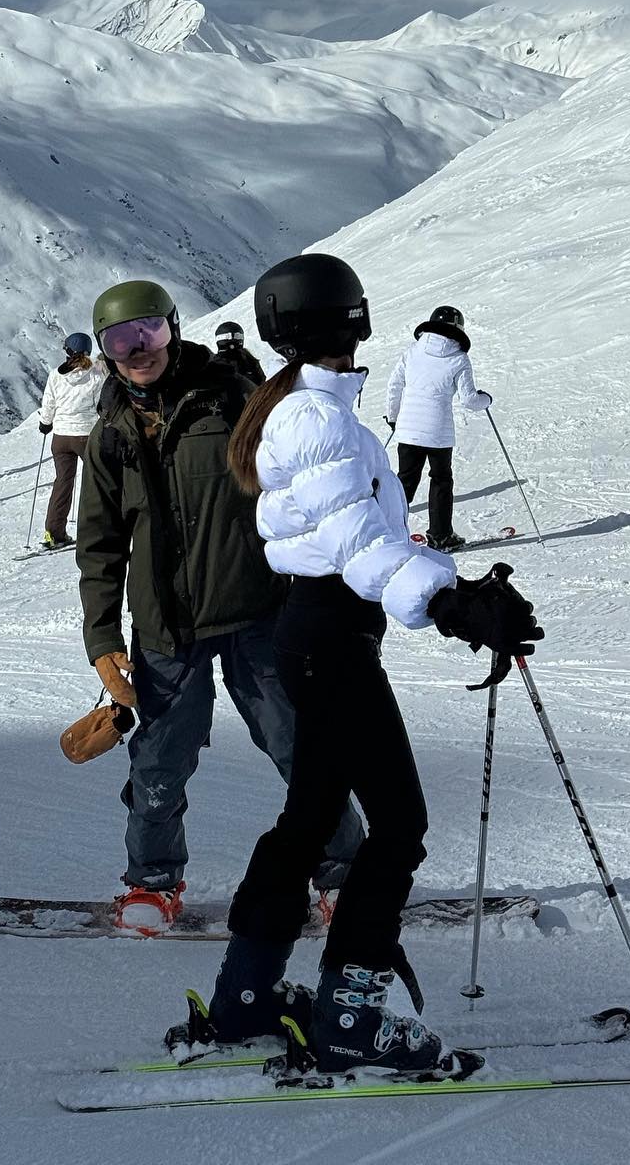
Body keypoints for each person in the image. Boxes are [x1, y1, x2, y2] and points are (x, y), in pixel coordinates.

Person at [201, 254, 541, 1071]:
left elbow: (361, 539)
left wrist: (452, 587)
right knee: (399, 826)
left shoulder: (305, 407)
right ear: (352, 318)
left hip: (316, 635)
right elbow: (360, 547)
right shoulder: (314, 418)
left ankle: (245, 999)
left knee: (311, 820)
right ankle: (350, 1019)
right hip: (330, 640)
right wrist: (452, 604)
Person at [76, 278, 363, 933]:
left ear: (174, 329)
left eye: (148, 330)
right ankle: (152, 884)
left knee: (299, 743)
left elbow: (304, 476)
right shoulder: (110, 437)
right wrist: (102, 640)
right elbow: (98, 546)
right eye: (120, 338)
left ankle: (345, 872)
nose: (137, 348)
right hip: (165, 628)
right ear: (106, 351)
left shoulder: (232, 400)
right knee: (159, 760)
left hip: (256, 611)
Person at [384, 303, 492, 551]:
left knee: (405, 482)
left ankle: (387, 531)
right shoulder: (459, 358)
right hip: (438, 433)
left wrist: (394, 417)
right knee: (441, 480)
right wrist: (486, 400)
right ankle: (441, 536)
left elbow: (394, 385)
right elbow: (469, 400)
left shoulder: (412, 351)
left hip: (408, 429)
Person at [38, 332, 107, 548]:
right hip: (86, 436)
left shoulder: (55, 375)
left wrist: (45, 424)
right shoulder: (97, 374)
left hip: (61, 437)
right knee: (98, 481)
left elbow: (49, 402)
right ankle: (98, 529)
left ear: (67, 351)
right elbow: (101, 405)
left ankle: (54, 533)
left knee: (62, 483)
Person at [214, 319, 266, 385]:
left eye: (238, 336)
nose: (236, 340)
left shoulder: (248, 359)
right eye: (236, 336)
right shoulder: (216, 364)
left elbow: (261, 380)